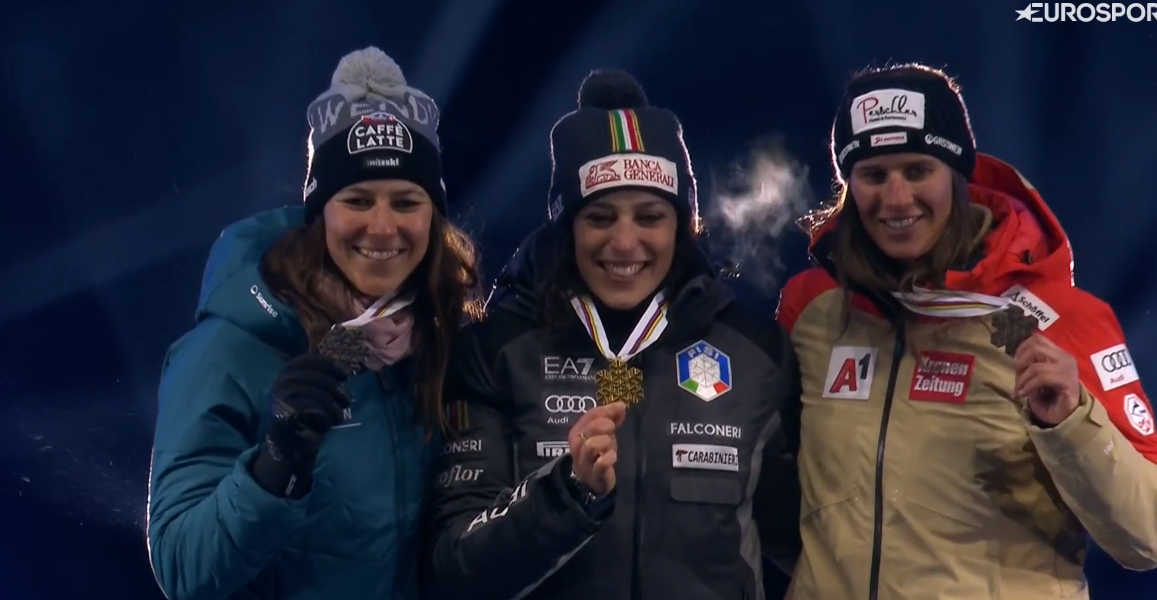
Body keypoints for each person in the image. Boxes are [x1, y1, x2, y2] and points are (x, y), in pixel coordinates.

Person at [776, 63, 1157, 600]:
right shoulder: (814, 308)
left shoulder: (1057, 317)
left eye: (918, 170)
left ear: (957, 174)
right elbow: (774, 490)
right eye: (874, 175)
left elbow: (1153, 536)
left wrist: (1072, 423)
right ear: (849, 186)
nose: (896, 199)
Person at [424, 69, 801, 600]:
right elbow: (456, 569)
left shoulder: (756, 353)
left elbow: (811, 540)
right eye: (600, 217)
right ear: (566, 227)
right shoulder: (495, 352)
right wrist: (567, 494)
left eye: (650, 217)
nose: (625, 243)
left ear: (681, 226)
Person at [146, 47, 482, 600]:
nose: (382, 228)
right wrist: (276, 465)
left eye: (405, 202)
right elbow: (182, 566)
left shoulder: (442, 338)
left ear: (433, 216)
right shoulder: (229, 349)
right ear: (320, 210)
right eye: (357, 200)